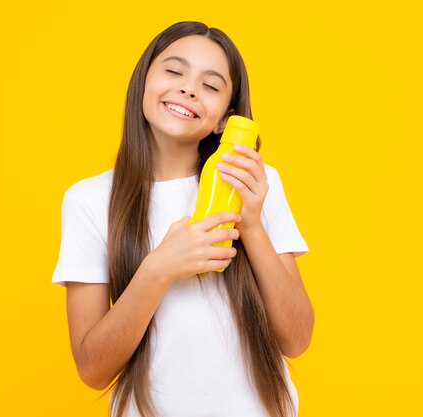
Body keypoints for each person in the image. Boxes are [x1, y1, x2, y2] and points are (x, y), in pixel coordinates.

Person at [52, 21, 313, 417]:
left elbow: (296, 338)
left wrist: (253, 226)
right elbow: (92, 367)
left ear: (226, 119)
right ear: (143, 81)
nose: (189, 89)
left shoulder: (256, 184)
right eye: (174, 71)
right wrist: (158, 269)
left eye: (210, 85)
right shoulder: (88, 201)